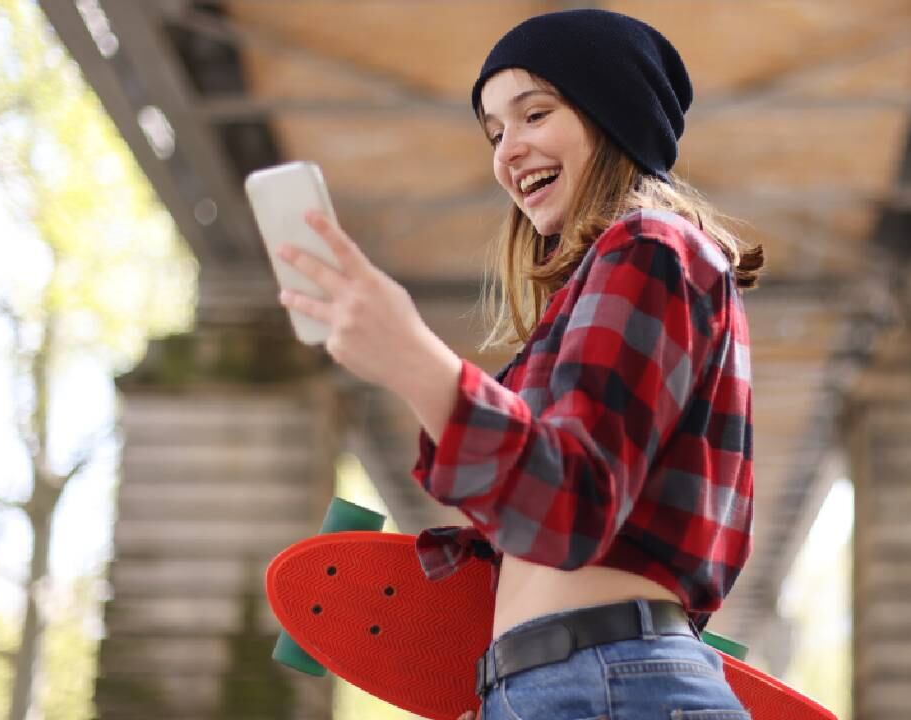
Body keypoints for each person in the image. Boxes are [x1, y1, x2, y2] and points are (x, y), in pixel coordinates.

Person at [277, 8, 763, 719]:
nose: (508, 150)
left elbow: (573, 503)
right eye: (495, 132)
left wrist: (412, 357)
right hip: (566, 684)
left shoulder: (653, 245)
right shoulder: (602, 287)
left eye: (534, 114)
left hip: (607, 683)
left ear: (613, 115)